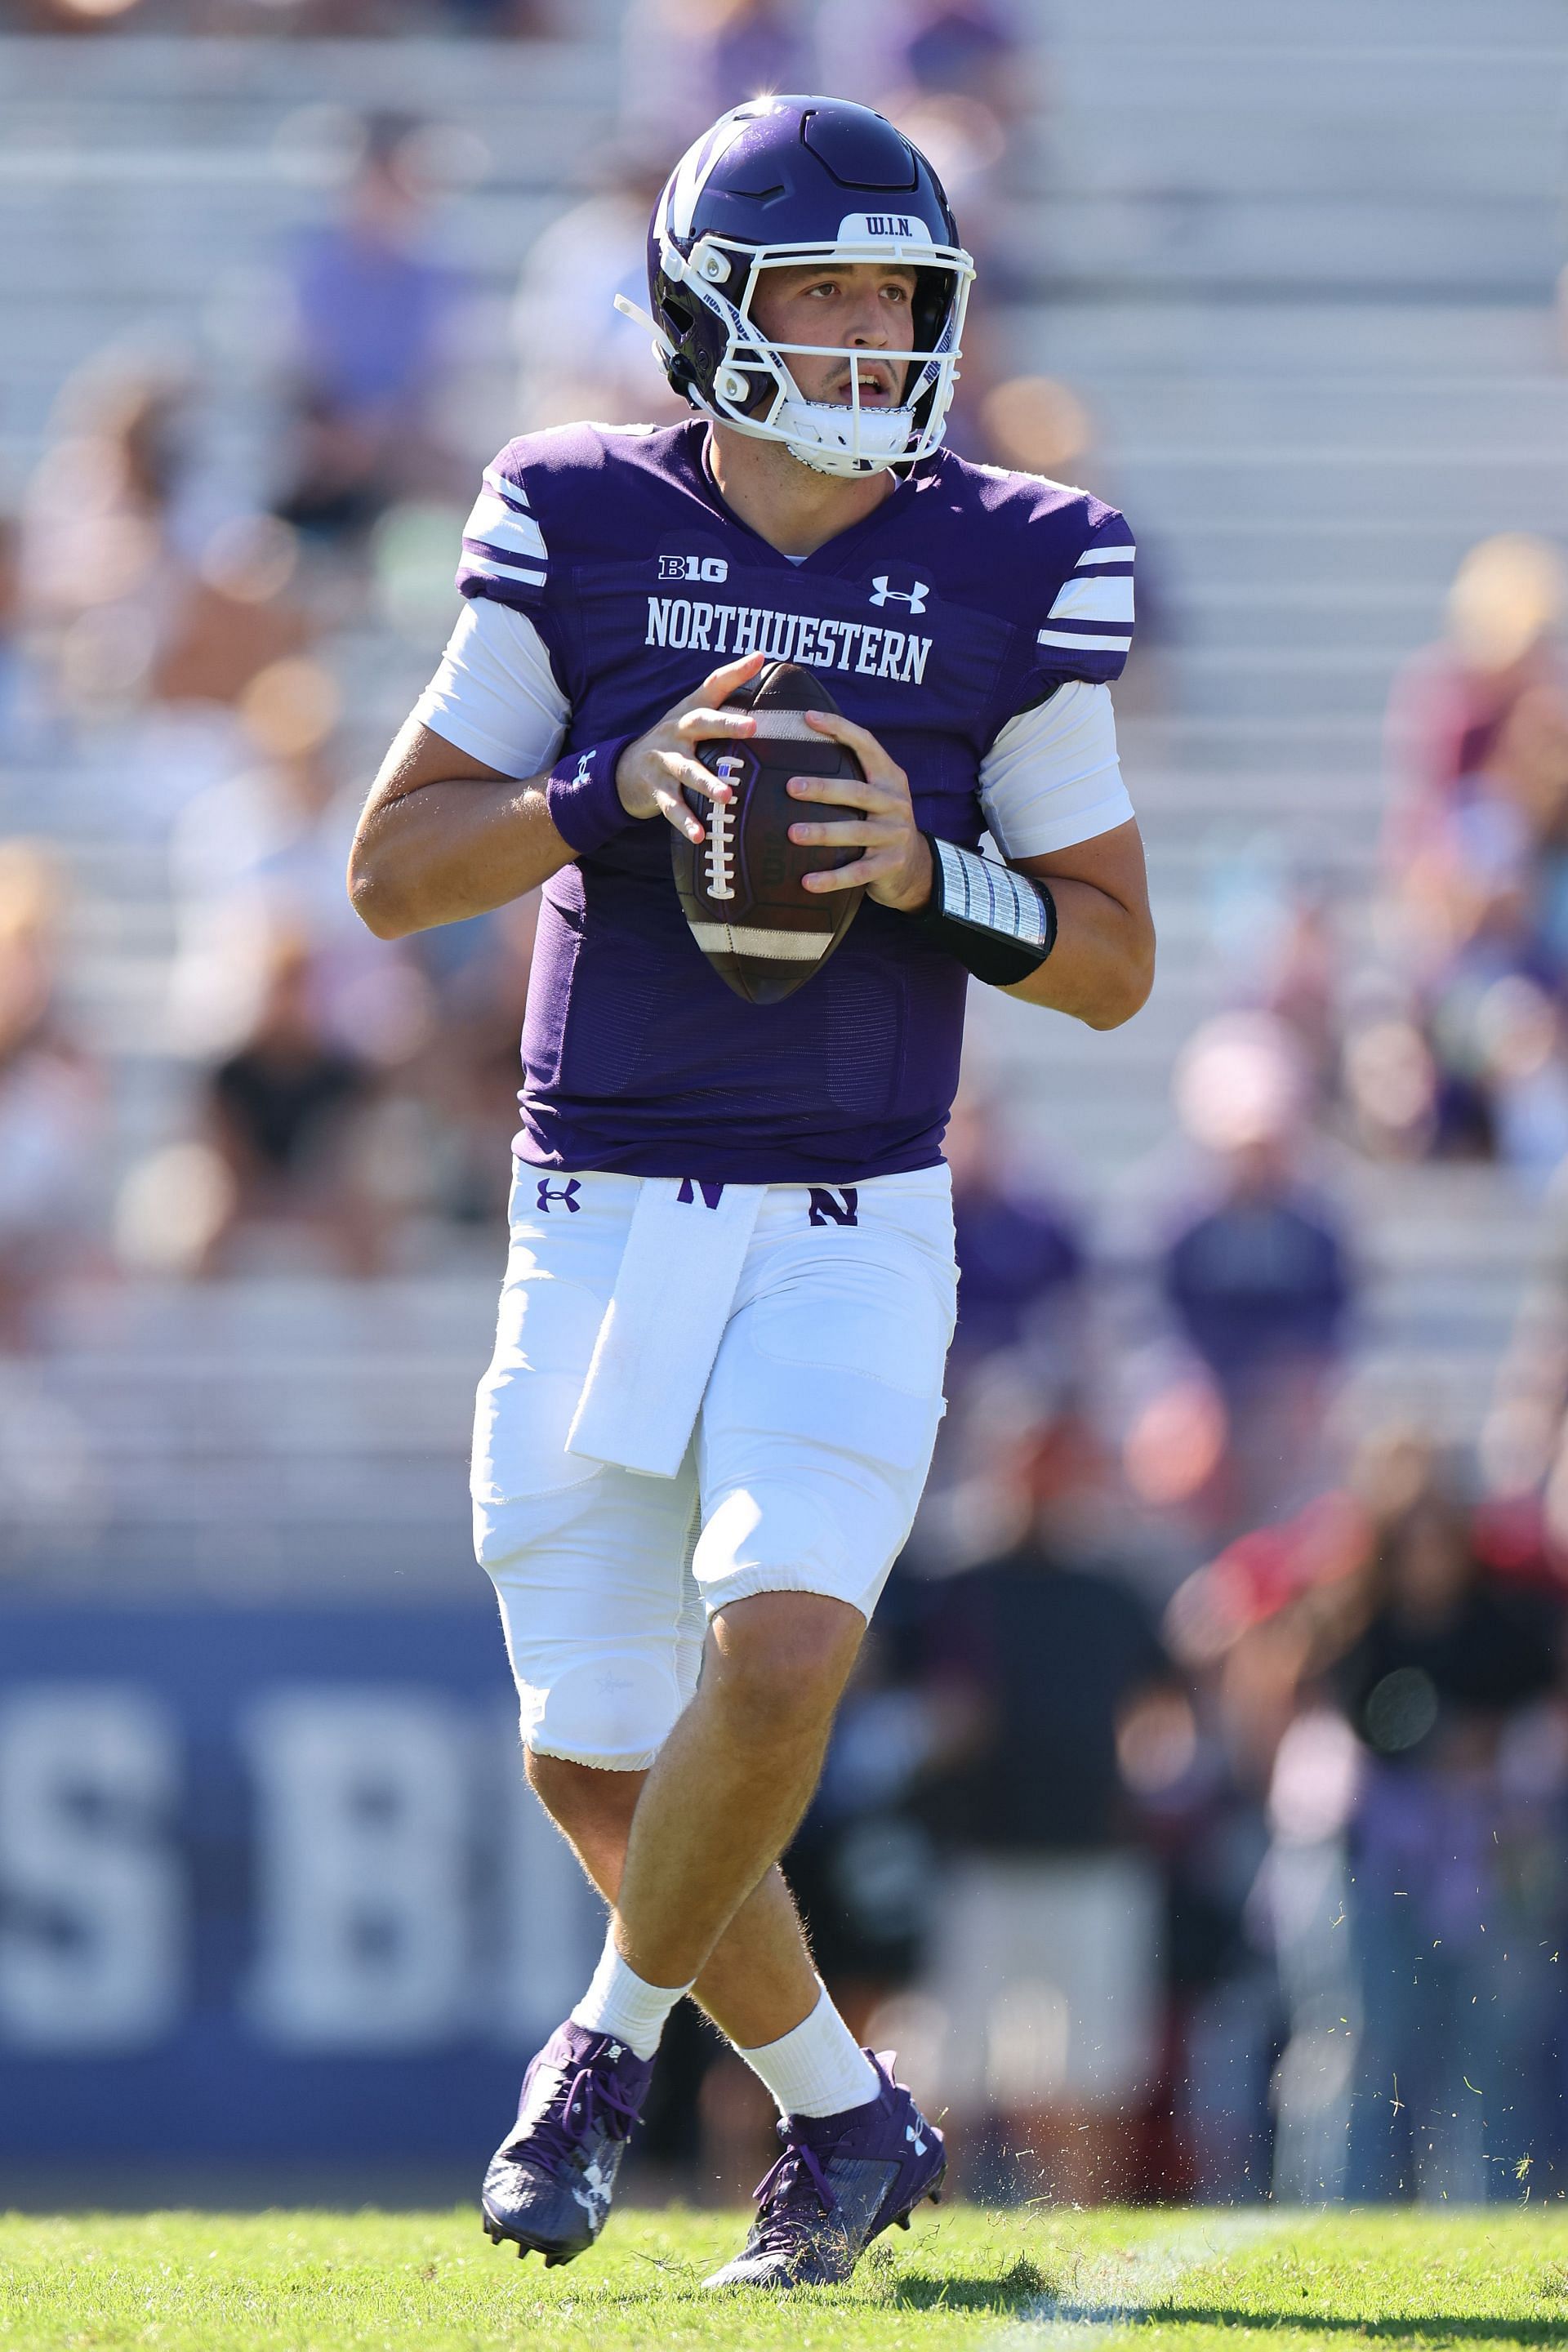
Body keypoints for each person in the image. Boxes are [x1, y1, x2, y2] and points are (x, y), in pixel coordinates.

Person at [348, 95, 1152, 2290]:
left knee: (781, 1655)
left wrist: (931, 871)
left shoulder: (1020, 552)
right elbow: (394, 868)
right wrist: (608, 786)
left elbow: (1110, 958)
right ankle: (846, 2119)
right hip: (592, 1212)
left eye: (901, 293)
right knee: (600, 1769)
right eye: (827, 289)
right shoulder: (572, 514)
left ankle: (601, 2055)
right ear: (715, 309)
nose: (877, 331)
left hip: (847, 1220)